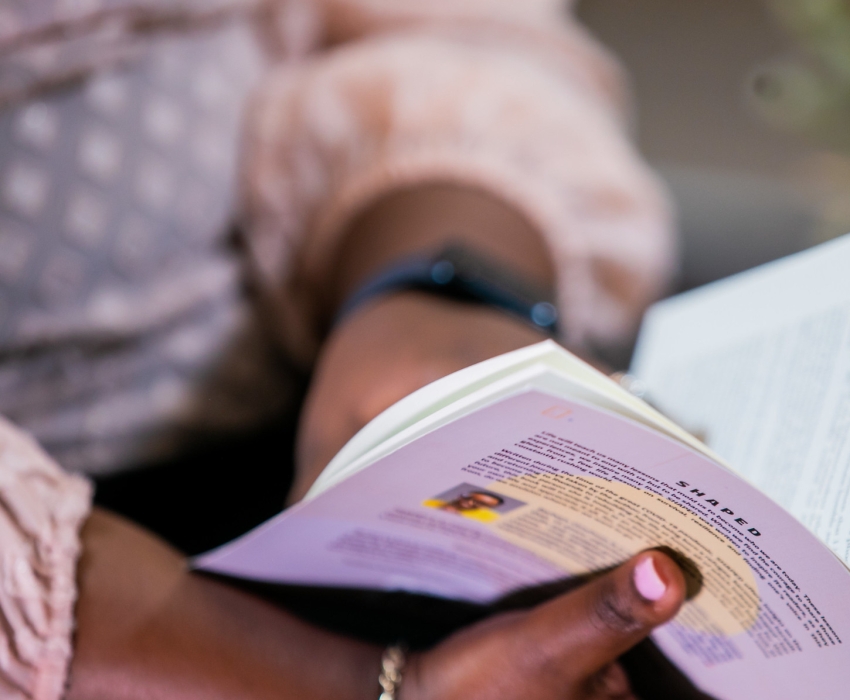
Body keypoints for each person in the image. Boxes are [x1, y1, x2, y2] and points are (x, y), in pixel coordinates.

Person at [0, 0, 681, 697]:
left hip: (324, 428)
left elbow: (445, 25)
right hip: (106, 629)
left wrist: (446, 288)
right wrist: (382, 685)